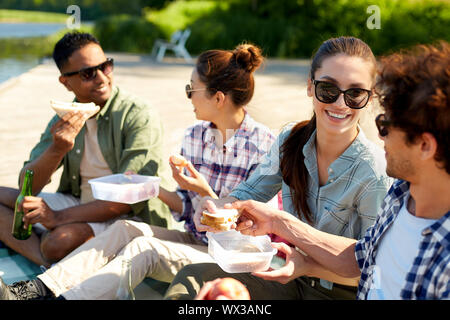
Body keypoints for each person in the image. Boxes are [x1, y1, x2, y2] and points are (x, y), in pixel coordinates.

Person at [166, 41, 450, 300]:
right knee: (196, 282)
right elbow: (251, 191)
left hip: (334, 292)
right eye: (328, 89)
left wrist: (301, 257)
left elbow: (362, 270)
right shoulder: (293, 140)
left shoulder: (377, 173)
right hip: (291, 277)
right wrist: (218, 207)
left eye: (355, 94)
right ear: (310, 86)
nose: (340, 104)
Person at [0, 43, 275, 300]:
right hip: (196, 239)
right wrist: (152, 187)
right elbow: (186, 208)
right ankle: (35, 289)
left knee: (142, 248)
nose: (189, 95)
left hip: (232, 254)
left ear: (217, 98)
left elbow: (248, 226)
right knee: (125, 228)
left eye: (192, 88)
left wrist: (203, 191)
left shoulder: (262, 145)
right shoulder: (195, 135)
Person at [0, 32, 173, 267]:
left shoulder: (137, 114)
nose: (102, 78)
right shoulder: (64, 118)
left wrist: (56, 218)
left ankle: (51, 256)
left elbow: (128, 196)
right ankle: (50, 263)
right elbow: (26, 184)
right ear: (66, 82)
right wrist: (57, 149)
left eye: (106, 66)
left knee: (57, 241)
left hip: (127, 214)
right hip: (79, 202)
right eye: (88, 73)